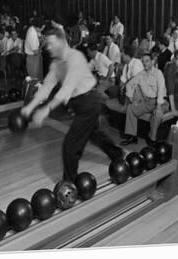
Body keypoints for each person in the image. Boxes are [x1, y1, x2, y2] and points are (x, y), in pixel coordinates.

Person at [21, 28, 123, 183]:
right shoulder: (56, 64)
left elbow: (67, 87)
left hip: (89, 102)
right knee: (93, 134)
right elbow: (47, 86)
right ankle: (117, 154)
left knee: (70, 147)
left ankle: (69, 184)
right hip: (79, 104)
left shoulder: (75, 57)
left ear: (62, 42)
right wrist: (30, 106)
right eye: (46, 44)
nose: (47, 47)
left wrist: (46, 109)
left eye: (51, 44)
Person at [119, 53, 167, 146]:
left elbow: (161, 89)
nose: (145, 63)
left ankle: (152, 140)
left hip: (160, 102)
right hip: (147, 102)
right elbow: (129, 85)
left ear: (152, 62)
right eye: (143, 61)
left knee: (156, 115)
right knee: (130, 108)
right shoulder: (140, 74)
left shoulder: (158, 73)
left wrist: (158, 107)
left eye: (147, 61)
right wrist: (131, 98)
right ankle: (132, 137)